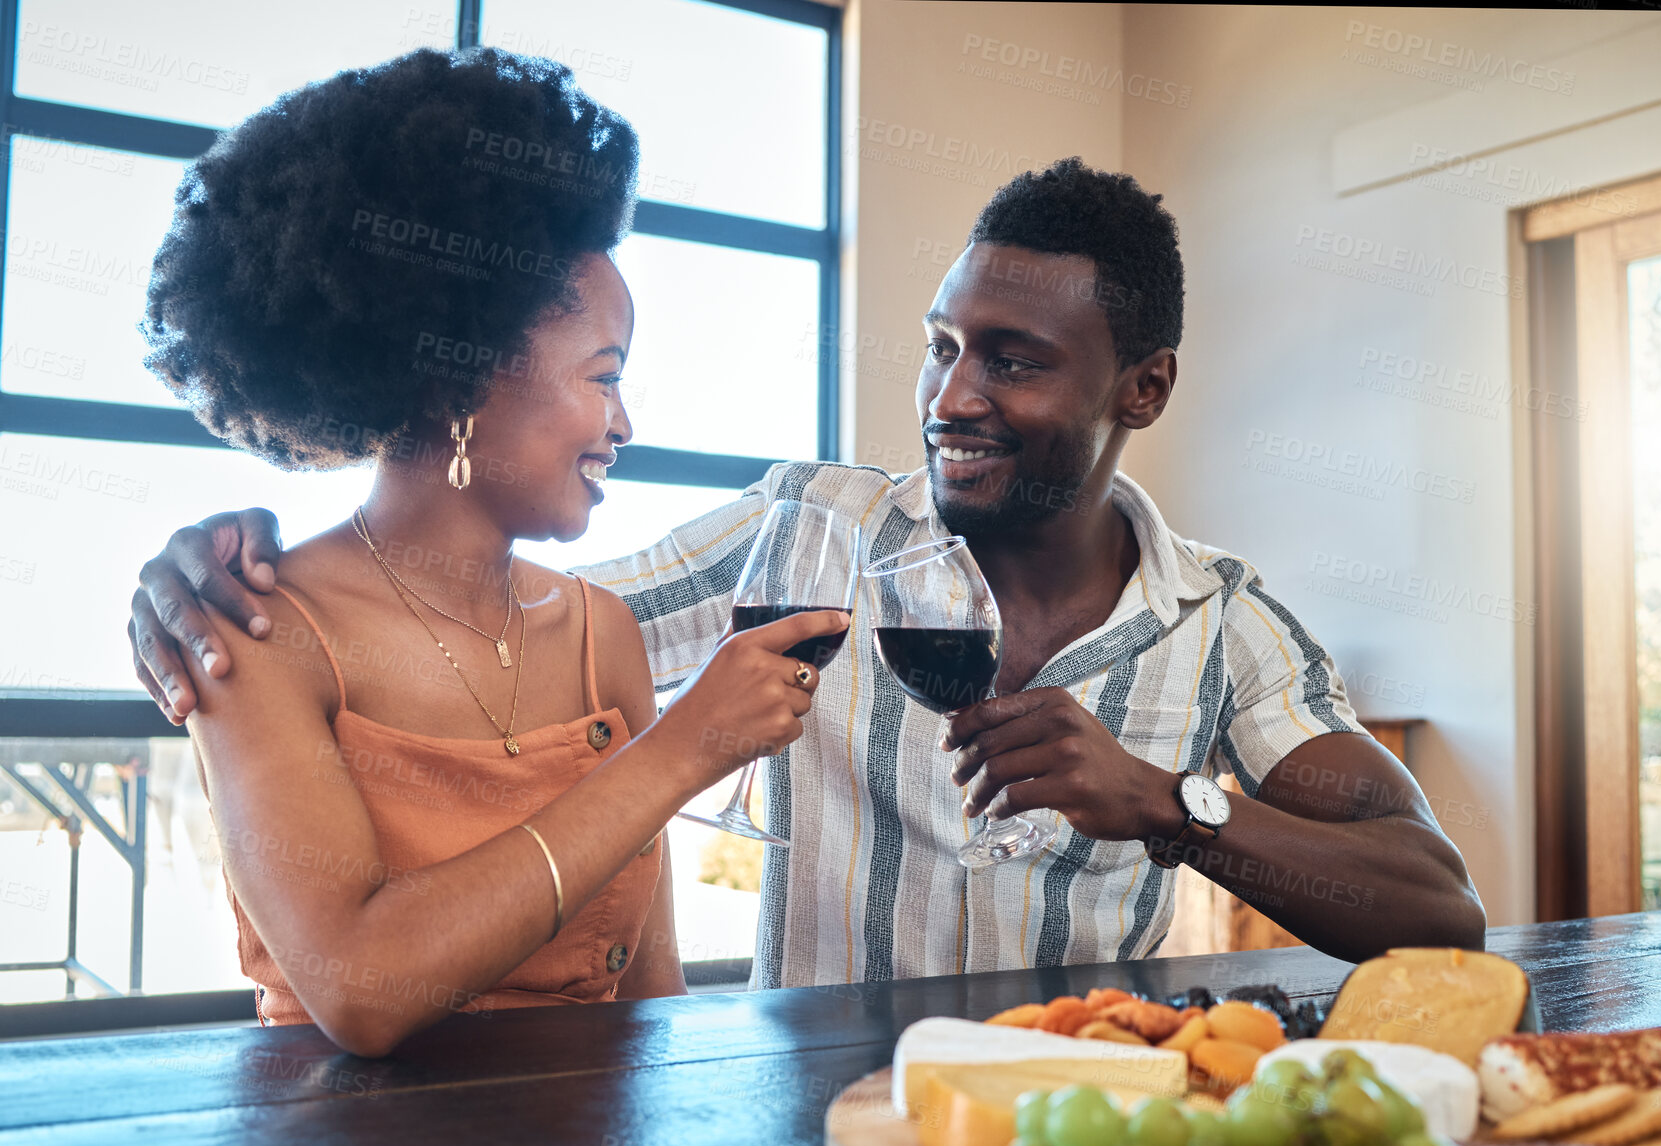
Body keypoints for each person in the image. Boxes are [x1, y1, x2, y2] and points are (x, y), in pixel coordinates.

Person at [131, 158, 1485, 991]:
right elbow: (478, 617)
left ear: (1144, 386)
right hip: (812, 1128)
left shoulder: (1222, 627)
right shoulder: (801, 539)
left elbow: (1435, 909)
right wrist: (225, 564)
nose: (951, 394)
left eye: (1010, 359)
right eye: (939, 344)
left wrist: (1166, 805)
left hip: (1074, 1124)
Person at [128, 47, 845, 1056]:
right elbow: (363, 989)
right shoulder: (260, 628)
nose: (623, 423)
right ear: (461, 380)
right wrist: (683, 753)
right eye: (603, 376)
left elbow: (651, 1000)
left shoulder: (601, 635)